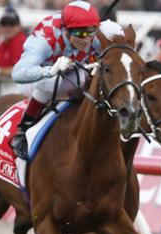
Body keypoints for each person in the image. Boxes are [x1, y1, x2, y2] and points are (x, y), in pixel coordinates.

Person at [10, 0, 101, 160]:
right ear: (66, 30)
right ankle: (23, 130)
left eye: (91, 32)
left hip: (71, 74)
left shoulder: (94, 36)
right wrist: (50, 70)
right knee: (53, 82)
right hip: (35, 83)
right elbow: (17, 73)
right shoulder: (44, 38)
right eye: (80, 34)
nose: (87, 40)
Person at [0, 6, 26, 80]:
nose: (7, 27)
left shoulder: (19, 41)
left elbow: (20, 70)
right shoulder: (5, 42)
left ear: (20, 26)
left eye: (12, 24)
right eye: (4, 23)